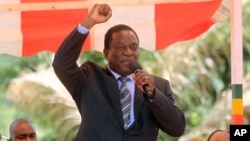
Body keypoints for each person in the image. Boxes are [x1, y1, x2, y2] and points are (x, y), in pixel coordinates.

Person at [52, 3, 186, 141]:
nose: (128, 53)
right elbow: (61, 64)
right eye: (120, 47)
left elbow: (177, 128)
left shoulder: (158, 86)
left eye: (134, 47)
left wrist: (153, 95)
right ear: (106, 53)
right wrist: (88, 22)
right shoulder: (89, 78)